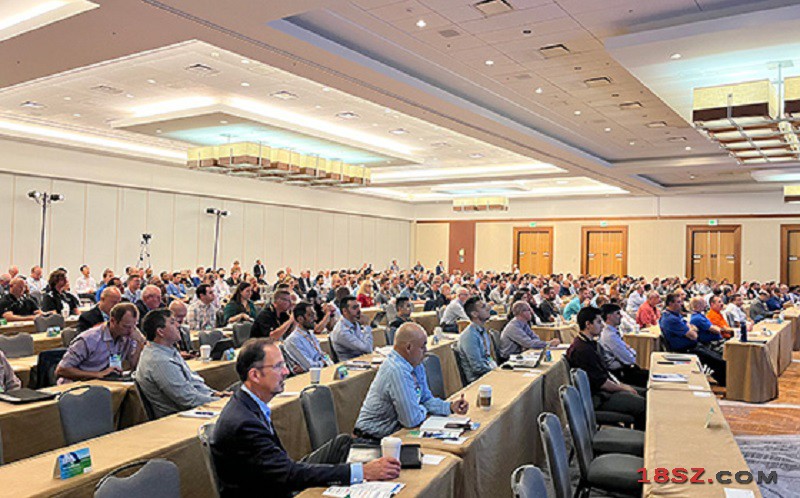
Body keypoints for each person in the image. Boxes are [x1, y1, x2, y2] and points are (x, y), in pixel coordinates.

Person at [211, 338, 400, 498]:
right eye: (278, 366)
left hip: (276, 476)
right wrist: (362, 472)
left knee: (342, 443)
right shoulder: (243, 423)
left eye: (284, 364)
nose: (286, 372)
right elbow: (288, 475)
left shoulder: (248, 404)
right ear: (255, 375)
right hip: (270, 490)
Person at [354, 323, 469, 440]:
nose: (426, 350)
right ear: (408, 348)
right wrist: (422, 408)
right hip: (371, 438)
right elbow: (411, 420)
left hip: (393, 433)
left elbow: (426, 399)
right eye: (422, 347)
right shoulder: (396, 370)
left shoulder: (416, 365)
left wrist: (450, 407)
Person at [136, 309, 228, 418]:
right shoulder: (159, 361)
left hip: (194, 408)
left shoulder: (168, 350)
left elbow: (193, 381)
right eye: (172, 322)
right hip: (180, 417)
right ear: (160, 332)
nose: (178, 325)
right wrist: (220, 401)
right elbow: (187, 399)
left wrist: (215, 394)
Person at [567, 306, 647, 430]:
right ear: (588, 324)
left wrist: (621, 385)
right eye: (599, 322)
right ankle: (640, 439)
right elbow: (602, 383)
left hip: (604, 390)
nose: (603, 326)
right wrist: (623, 387)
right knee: (643, 405)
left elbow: (604, 374)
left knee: (646, 394)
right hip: (597, 398)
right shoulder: (583, 350)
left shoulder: (588, 343)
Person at [55, 303, 146, 383]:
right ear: (113, 321)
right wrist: (97, 374)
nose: (131, 331)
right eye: (126, 326)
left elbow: (135, 367)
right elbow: (61, 370)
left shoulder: (128, 336)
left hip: (109, 382)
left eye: (134, 326)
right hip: (80, 384)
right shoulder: (89, 339)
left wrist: (140, 342)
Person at [659, 293, 726, 386]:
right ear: (671, 303)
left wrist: (690, 328)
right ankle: (726, 385)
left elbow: (691, 327)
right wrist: (691, 329)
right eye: (678, 302)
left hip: (693, 346)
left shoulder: (675, 315)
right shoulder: (671, 319)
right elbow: (694, 335)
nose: (682, 304)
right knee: (719, 362)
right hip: (685, 349)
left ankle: (722, 381)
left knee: (719, 358)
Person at [598, 303, 648, 387]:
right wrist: (629, 350)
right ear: (609, 316)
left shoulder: (612, 332)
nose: (621, 316)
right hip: (620, 374)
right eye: (618, 313)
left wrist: (629, 350)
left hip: (623, 370)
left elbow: (631, 353)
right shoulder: (610, 336)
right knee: (649, 378)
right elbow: (630, 359)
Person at [456, 296, 497, 383]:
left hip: (489, 373)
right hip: (478, 381)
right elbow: (478, 368)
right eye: (483, 307)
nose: (488, 308)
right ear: (474, 314)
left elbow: (487, 357)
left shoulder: (482, 330)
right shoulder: (469, 336)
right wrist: (497, 372)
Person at [283, 301, 333, 372]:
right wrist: (323, 362)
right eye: (311, 315)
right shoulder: (293, 340)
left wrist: (325, 361)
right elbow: (310, 366)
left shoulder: (310, 334)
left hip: (322, 371)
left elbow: (323, 355)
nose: (315, 318)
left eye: (314, 314)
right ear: (300, 319)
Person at [330, 296, 373, 361]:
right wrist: (367, 326)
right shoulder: (342, 331)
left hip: (362, 360)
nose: (359, 311)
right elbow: (367, 349)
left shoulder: (355, 323)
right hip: (350, 364)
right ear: (345, 311)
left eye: (358, 307)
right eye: (354, 308)